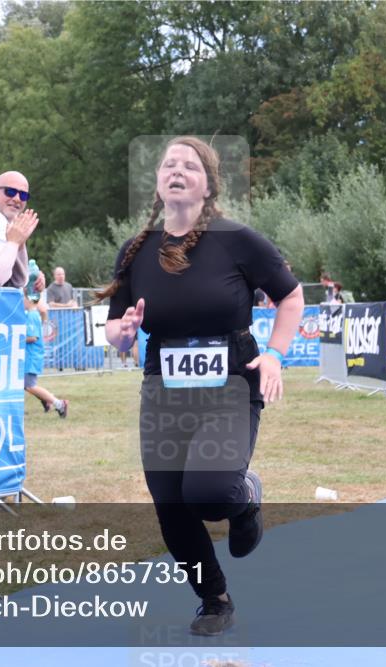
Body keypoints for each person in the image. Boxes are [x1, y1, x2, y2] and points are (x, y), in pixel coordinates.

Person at [99, 136, 303, 636]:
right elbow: (114, 326)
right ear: (158, 182)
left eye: (189, 166)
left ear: (208, 184)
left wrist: (275, 355)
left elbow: (291, 297)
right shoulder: (137, 249)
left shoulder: (238, 240)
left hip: (231, 381)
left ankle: (245, 496)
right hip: (163, 388)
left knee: (209, 491)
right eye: (169, 164)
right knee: (170, 504)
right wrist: (122, 333)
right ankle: (214, 598)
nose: (177, 171)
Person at [23, 287, 69, 417]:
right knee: (26, 385)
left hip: (31, 357)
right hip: (30, 356)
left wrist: (16, 338)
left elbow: (32, 337)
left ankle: (58, 403)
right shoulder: (32, 314)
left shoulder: (32, 315)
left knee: (30, 386)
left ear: (29, 299)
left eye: (22, 298)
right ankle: (47, 400)